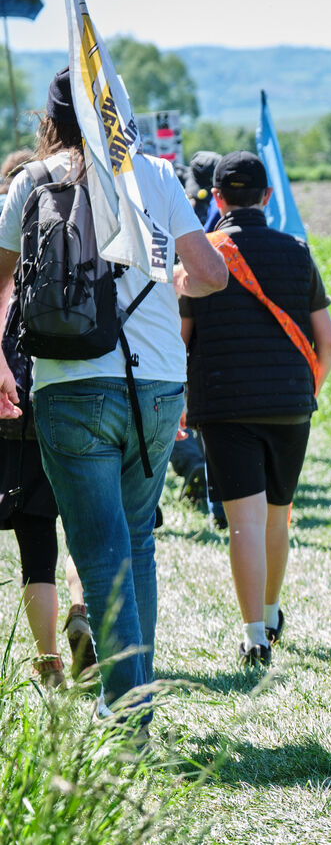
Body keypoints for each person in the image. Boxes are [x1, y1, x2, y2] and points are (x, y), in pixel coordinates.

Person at [0, 68, 228, 727]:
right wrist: (171, 279)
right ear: (118, 114)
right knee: (136, 545)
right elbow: (211, 274)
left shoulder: (31, 181)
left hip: (70, 383)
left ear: (52, 118)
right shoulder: (154, 175)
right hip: (156, 382)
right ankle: (134, 700)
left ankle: (127, 716)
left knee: (100, 551)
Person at [180, 151, 331, 669]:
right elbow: (327, 341)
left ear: (217, 198)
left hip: (224, 405)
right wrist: (307, 391)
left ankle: (253, 637)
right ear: (267, 196)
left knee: (243, 522)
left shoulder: (203, 255)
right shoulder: (297, 252)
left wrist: (181, 398)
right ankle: (270, 614)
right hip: (290, 405)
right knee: (277, 516)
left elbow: (182, 339)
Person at [0, 301, 90, 687]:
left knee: (36, 550)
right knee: (87, 529)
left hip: (25, 417)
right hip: (85, 407)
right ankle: (81, 610)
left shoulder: (15, 274)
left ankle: (49, 663)